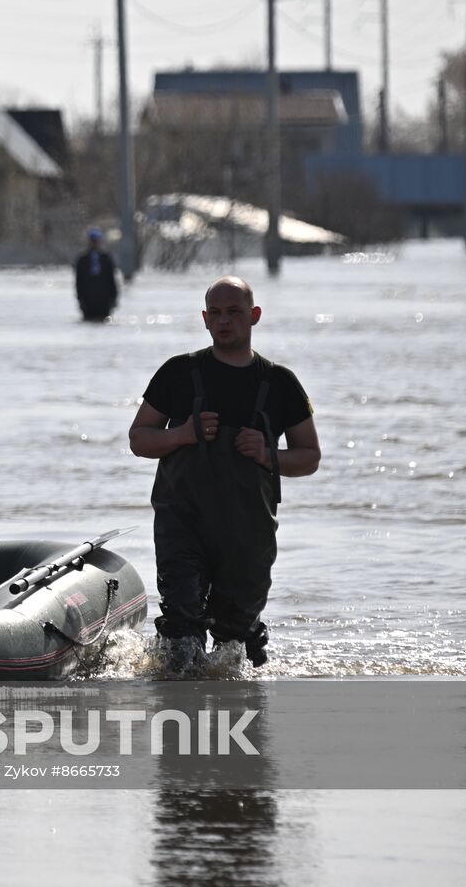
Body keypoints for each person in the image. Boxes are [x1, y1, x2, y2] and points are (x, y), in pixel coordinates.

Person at [127, 276, 320, 668]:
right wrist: (181, 434)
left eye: (234, 312)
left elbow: (310, 456)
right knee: (181, 632)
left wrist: (269, 454)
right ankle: (179, 711)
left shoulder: (279, 383)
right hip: (182, 523)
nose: (224, 321)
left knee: (236, 642)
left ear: (254, 315)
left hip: (247, 533)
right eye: (215, 313)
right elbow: (139, 438)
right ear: (204, 318)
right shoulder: (179, 373)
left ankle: (235, 712)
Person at [73, 227, 119, 322]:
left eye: (96, 240)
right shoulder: (82, 260)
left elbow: (112, 280)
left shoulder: (106, 258)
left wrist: (114, 298)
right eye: (93, 240)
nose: (95, 243)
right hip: (88, 299)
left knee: (103, 321)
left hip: (104, 299)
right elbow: (78, 281)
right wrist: (80, 299)